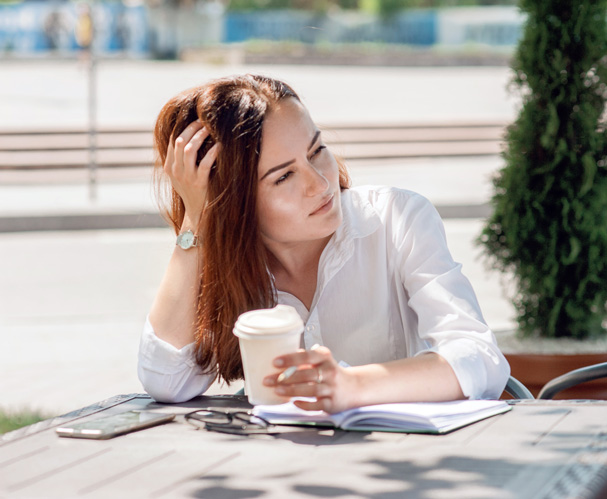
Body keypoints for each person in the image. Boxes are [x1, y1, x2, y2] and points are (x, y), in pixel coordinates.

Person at [138, 74, 510, 413]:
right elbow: (166, 380)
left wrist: (353, 385)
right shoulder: (229, 262)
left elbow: (480, 358)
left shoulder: (397, 218)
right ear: (234, 201)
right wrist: (196, 221)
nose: (320, 183)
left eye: (317, 151)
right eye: (284, 176)